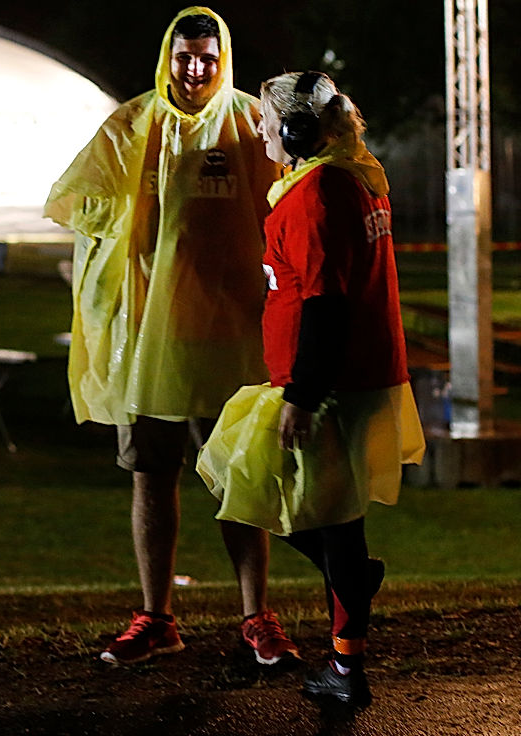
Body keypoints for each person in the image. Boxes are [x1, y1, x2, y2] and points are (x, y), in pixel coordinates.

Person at [44, 7, 296, 666]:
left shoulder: (248, 123)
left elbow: (293, 193)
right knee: (151, 474)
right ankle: (156, 617)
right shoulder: (135, 123)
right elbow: (75, 199)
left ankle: (257, 617)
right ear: (168, 56)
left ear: (224, 58)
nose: (195, 70)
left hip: (232, 333)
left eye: (207, 59)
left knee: (238, 477)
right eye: (185, 57)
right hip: (153, 339)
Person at [195, 71, 426, 706]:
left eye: (269, 121)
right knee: (329, 520)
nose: (260, 130)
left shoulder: (317, 193)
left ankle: (349, 627)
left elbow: (326, 303)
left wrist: (303, 394)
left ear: (297, 131)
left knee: (252, 485)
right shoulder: (349, 176)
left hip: (328, 381)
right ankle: (348, 634)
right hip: (345, 374)